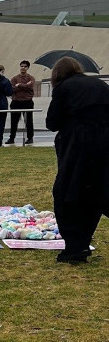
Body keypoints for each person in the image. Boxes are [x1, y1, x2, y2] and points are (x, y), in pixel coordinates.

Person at [45, 57, 109, 263]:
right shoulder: (100, 84)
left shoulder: (64, 88)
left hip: (78, 145)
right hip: (105, 143)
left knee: (67, 193)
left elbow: (52, 122)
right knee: (98, 192)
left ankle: (75, 246)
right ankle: (82, 242)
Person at [6, 60, 36, 145]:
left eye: (25, 66)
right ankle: (12, 138)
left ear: (28, 68)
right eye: (21, 66)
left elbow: (30, 86)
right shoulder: (15, 78)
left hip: (27, 102)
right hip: (16, 102)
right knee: (14, 121)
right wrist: (24, 86)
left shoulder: (31, 78)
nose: (23, 68)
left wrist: (19, 85)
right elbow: (12, 89)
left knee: (29, 121)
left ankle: (30, 137)